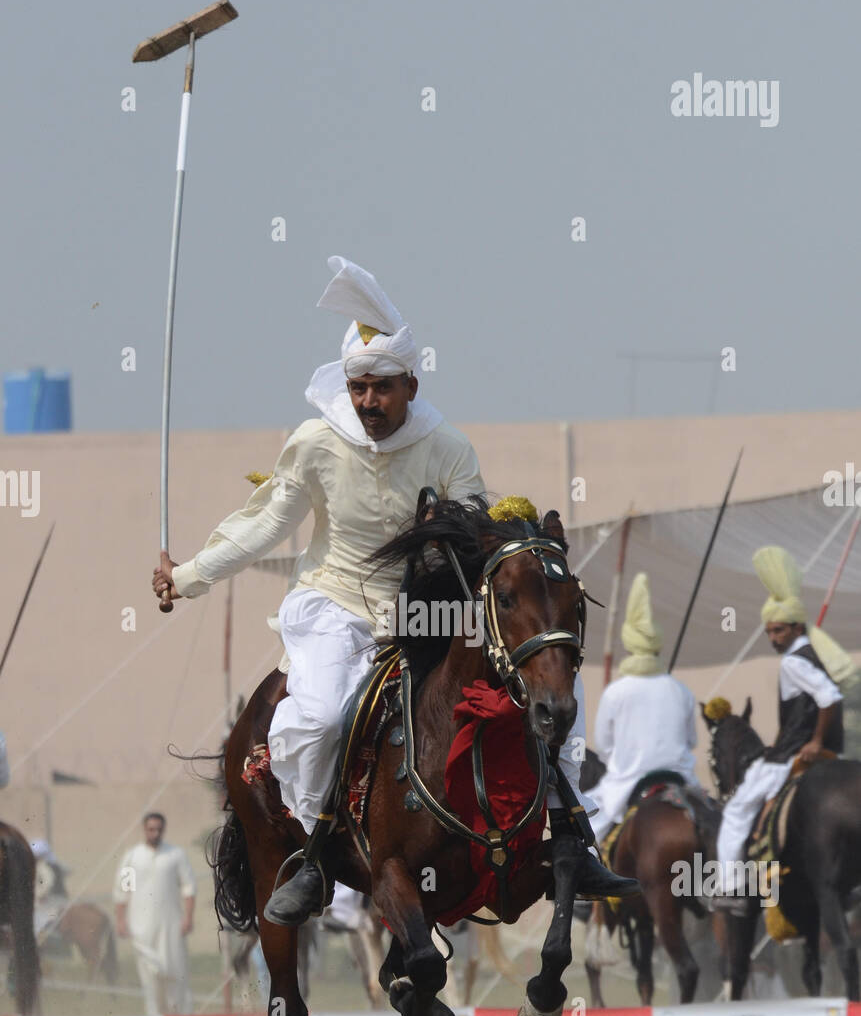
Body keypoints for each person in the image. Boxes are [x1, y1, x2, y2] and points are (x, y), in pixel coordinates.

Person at [153, 256, 634, 925]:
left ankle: (569, 833)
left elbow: (470, 547)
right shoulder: (316, 442)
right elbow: (266, 523)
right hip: (332, 604)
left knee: (545, 680)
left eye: (381, 387)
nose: (368, 402)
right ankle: (316, 854)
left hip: (423, 609)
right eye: (358, 389)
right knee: (318, 716)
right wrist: (186, 577)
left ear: (411, 382)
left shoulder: (448, 447)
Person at [715, 545, 844, 905]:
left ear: (797, 626)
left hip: (788, 756)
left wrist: (815, 741)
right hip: (821, 752)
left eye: (779, 631)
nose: (773, 638)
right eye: (769, 632)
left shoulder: (792, 662)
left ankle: (731, 888)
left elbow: (829, 696)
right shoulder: (813, 653)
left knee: (737, 809)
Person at [587, 573, 699, 843]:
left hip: (628, 782)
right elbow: (691, 741)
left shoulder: (616, 691)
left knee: (585, 836)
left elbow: (603, 746)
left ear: (630, 646)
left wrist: (625, 757)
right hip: (681, 778)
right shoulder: (680, 689)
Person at [113, 812, 196, 1016]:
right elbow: (122, 891)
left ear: (163, 830)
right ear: (144, 830)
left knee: (175, 976)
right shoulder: (132, 856)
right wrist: (121, 920)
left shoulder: (175, 855)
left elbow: (188, 887)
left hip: (170, 928)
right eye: (151, 829)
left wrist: (188, 917)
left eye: (158, 829)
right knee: (149, 982)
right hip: (141, 929)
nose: (155, 833)